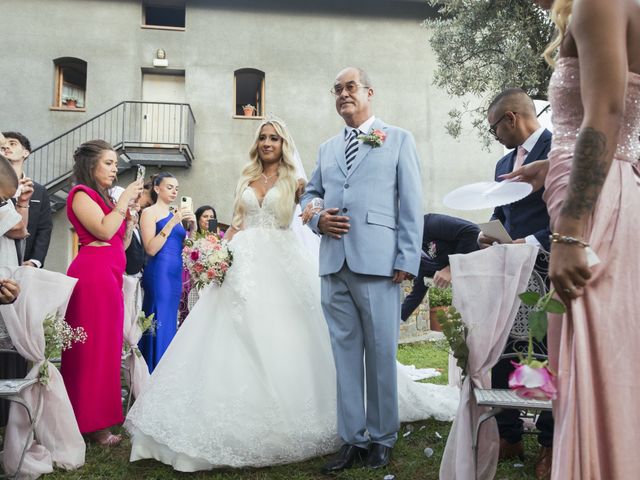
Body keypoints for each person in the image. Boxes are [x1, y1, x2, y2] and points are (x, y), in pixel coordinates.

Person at [125, 117, 457, 472]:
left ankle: (362, 426)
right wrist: (217, 256)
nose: (268, 143)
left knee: (290, 336)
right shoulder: (245, 177)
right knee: (229, 335)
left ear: (283, 144)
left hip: (282, 262)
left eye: (274, 138)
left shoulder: (297, 181)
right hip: (243, 263)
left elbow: (313, 210)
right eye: (263, 137)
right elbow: (237, 223)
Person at [531, 1, 640, 479]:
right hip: (599, 195)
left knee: (597, 360)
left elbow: (608, 112)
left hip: (593, 215)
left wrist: (570, 233)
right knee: (594, 356)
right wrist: (552, 161)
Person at [301, 67, 423, 473]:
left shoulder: (399, 139)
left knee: (383, 354)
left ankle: (383, 438)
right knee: (345, 355)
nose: (342, 94)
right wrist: (316, 218)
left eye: (350, 87)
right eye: (336, 89)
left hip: (380, 265)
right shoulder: (326, 149)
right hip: (334, 263)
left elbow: (411, 204)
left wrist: (406, 259)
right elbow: (313, 195)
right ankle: (353, 438)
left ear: (370, 91)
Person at [480, 88, 555, 476]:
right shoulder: (502, 163)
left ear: (511, 118)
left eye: (495, 128)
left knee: (544, 352)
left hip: (550, 267)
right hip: (508, 268)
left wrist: (532, 241)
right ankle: (508, 434)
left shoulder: (559, 149)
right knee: (502, 347)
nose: (494, 136)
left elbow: (570, 210)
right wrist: (490, 231)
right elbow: (501, 208)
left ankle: (548, 442)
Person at [61, 139, 143, 446]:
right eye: (109, 163)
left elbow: (117, 244)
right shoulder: (80, 194)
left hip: (110, 276)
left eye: (115, 163)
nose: (115, 168)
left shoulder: (105, 201)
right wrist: (123, 203)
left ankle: (98, 420)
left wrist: (129, 218)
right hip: (91, 278)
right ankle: (88, 422)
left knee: (107, 349)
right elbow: (104, 231)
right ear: (91, 166)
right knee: (91, 351)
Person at [139, 172, 194, 372]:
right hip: (159, 273)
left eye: (177, 189)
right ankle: (151, 369)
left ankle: (166, 373)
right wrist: (172, 222)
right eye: (169, 187)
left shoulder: (176, 215)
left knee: (171, 319)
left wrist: (191, 227)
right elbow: (151, 248)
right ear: (156, 188)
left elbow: (184, 246)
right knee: (158, 318)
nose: (174, 191)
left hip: (175, 274)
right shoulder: (149, 213)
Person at [401, 213, 479, 321]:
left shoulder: (427, 224)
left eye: (399, 271)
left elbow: (472, 231)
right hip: (473, 285)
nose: (403, 278)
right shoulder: (422, 263)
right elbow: (416, 296)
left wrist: (451, 268)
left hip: (486, 265)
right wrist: (395, 322)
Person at [1, 132, 53, 268]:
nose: (6, 147)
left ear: (26, 152)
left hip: (25, 263)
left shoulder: (39, 190)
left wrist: (35, 261)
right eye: (2, 146)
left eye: (12, 143)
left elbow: (44, 229)